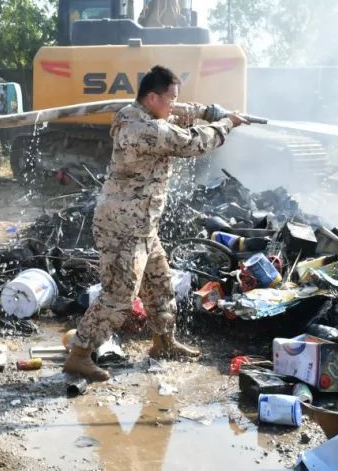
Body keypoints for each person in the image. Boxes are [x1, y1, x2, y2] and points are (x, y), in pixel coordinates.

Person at [63, 65, 246, 381]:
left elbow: (179, 114)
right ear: (152, 97)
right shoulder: (147, 131)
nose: (175, 104)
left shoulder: (138, 114)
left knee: (160, 282)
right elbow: (191, 143)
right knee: (119, 295)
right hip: (123, 227)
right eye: (171, 98)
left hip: (141, 223)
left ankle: (164, 342)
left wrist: (207, 110)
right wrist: (226, 124)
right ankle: (80, 353)